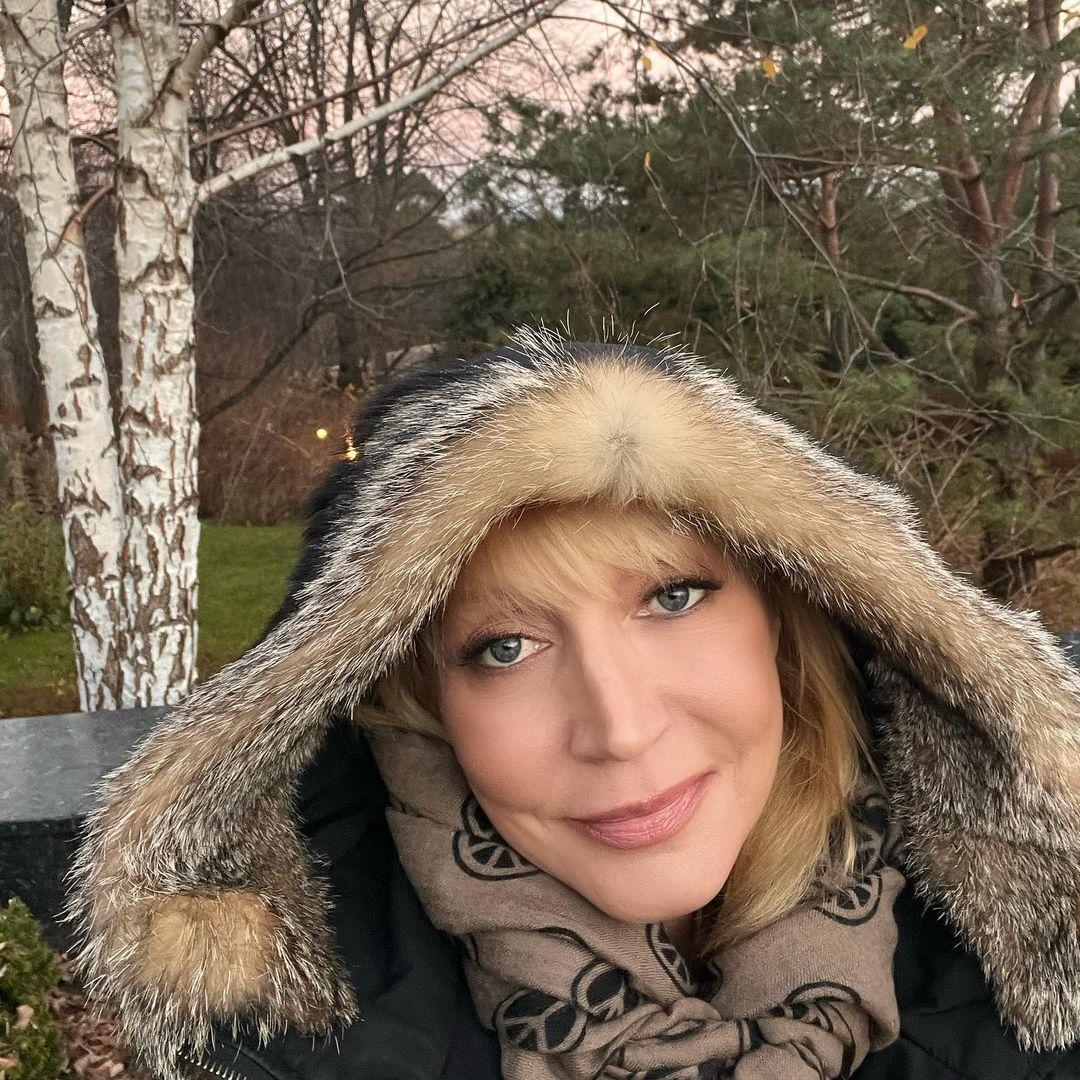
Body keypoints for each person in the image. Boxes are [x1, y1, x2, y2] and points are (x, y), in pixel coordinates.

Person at [65, 330, 1080, 1080]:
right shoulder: (307, 1040)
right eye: (503, 648)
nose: (621, 729)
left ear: (789, 617)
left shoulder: (1025, 972)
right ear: (417, 698)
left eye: (672, 598)